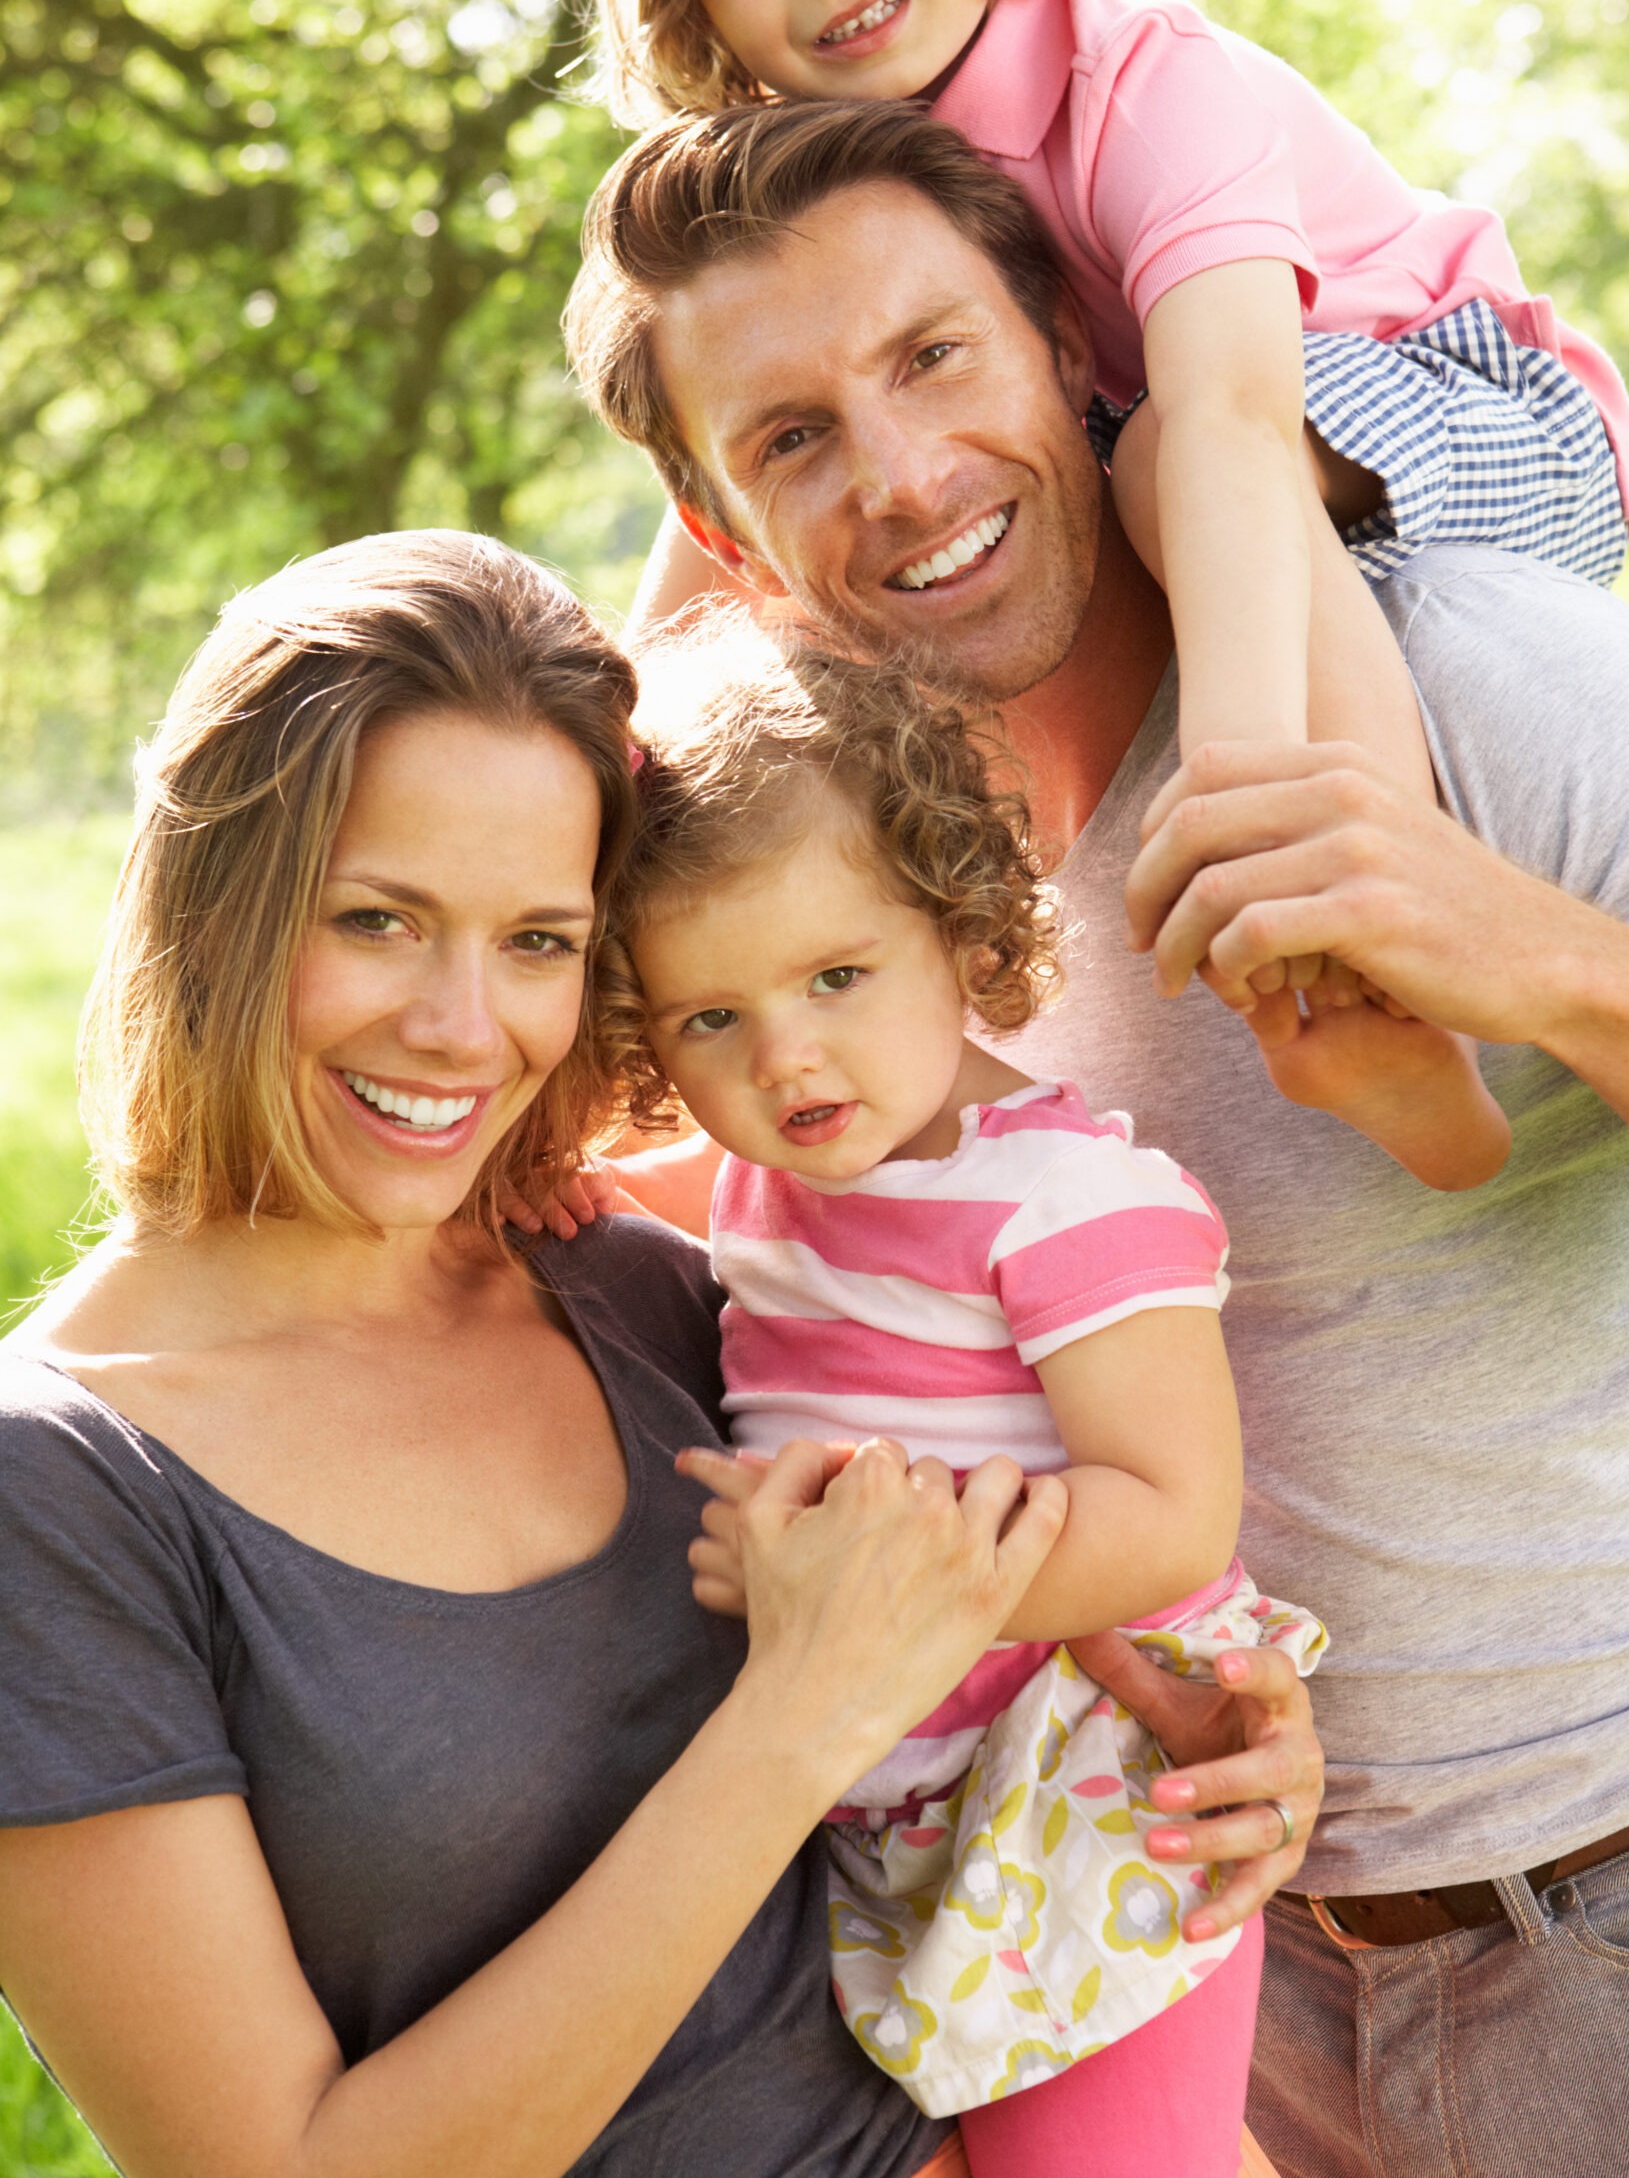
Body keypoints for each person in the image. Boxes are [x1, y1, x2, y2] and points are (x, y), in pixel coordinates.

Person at [564, 95, 1629, 2178]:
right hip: (1204, 1960)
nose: (901, 476)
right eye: (792, 436)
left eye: (933, 356)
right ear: (721, 533)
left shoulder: (1464, 683)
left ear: (1070, 353)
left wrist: (1533, 959)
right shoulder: (837, 920)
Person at [0, 527, 1320, 2178]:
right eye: (379, 918)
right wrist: (802, 1713)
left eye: (539, 941)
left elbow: (1009, 1511)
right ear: (219, 906)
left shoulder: (621, 1283)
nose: (465, 1029)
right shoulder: (60, 1488)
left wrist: (1209, 1733)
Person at [558, 0, 1629, 1190]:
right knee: (840, 563)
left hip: (1485, 415)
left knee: (1142, 472)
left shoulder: (1145, 81)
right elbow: (723, 560)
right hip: (1213, 441)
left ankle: (1350, 936)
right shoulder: (855, 205)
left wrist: (1244, 775)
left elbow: (1226, 420)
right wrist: (593, 774)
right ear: (694, 2)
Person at [598, 618, 1325, 2172]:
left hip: (1088, 1798)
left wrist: (855, 1591)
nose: (789, 1056)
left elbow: (1171, 1515)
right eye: (709, 1019)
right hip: (900, 1815)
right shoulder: (778, 1170)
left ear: (960, 929)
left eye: (839, 975)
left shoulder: (1066, 1201)